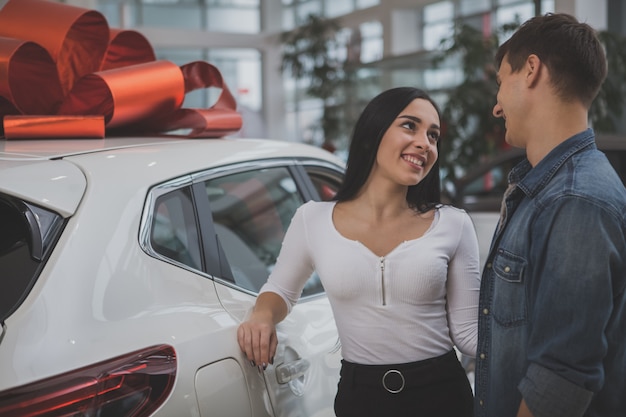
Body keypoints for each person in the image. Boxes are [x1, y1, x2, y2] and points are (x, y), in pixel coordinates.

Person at [237, 87, 481, 416]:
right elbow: (280, 290)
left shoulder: (453, 224)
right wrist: (262, 316)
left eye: (433, 135)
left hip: (443, 396)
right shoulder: (313, 220)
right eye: (410, 126)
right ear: (374, 131)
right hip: (360, 398)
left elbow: (468, 334)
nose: (425, 142)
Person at [475, 13, 626, 417]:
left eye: (500, 82)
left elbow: (561, 380)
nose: (496, 105)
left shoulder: (576, 200)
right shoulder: (550, 189)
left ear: (530, 70)